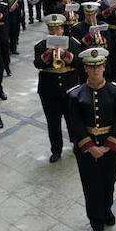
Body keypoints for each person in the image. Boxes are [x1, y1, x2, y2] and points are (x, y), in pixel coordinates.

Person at [66, 47, 116, 231]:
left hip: (111, 150)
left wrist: (108, 146)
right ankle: (96, 225)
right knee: (92, 188)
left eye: (99, 66)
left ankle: (107, 208)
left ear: (104, 66)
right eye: (91, 67)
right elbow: (75, 125)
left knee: (108, 183)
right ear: (85, 69)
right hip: (86, 152)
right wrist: (90, 147)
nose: (95, 70)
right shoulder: (75, 95)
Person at [35, 14, 80, 163]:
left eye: (58, 29)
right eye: (52, 29)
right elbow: (37, 64)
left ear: (62, 29)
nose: (55, 32)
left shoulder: (72, 43)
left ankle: (76, 143)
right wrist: (47, 55)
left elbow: (79, 64)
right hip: (49, 90)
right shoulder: (41, 45)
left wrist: (65, 54)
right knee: (53, 122)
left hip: (70, 88)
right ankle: (56, 149)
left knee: (72, 119)